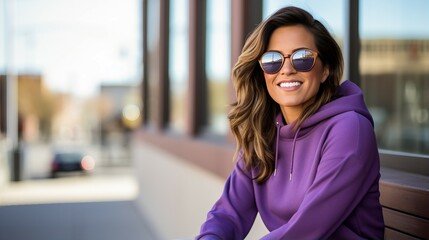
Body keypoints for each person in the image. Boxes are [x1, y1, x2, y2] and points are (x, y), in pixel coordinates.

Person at [196, 6, 384, 240]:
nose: (286, 69)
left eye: (303, 57)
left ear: (325, 70)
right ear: (262, 72)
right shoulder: (263, 133)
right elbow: (228, 214)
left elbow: (306, 230)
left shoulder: (349, 129)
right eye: (273, 60)